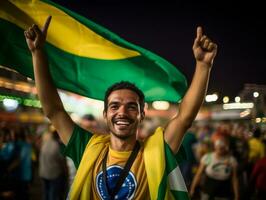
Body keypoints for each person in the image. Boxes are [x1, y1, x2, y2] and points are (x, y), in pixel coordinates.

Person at [24, 16, 217, 199]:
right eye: (114, 106)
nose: (122, 112)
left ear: (142, 115)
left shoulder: (157, 151)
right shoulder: (88, 148)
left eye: (131, 107)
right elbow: (54, 111)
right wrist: (37, 53)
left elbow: (184, 118)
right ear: (105, 114)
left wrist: (203, 65)